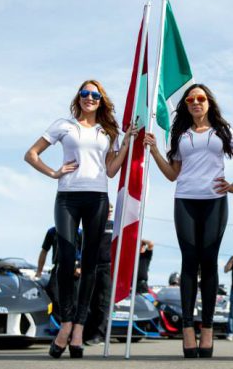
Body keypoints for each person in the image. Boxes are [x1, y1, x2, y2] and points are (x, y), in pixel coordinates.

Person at [25, 79, 136, 359]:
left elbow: (111, 170)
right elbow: (31, 154)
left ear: (101, 100)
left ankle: (78, 330)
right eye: (85, 93)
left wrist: (125, 144)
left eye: (95, 95)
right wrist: (53, 172)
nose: (89, 98)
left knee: (90, 266)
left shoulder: (107, 131)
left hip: (97, 198)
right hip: (67, 198)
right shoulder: (64, 125)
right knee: (64, 259)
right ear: (79, 97)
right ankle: (65, 324)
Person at [144, 83, 233, 358]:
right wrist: (155, 150)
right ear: (187, 106)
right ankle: (188, 329)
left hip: (215, 201)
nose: (196, 103)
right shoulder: (180, 135)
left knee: (209, 261)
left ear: (209, 103)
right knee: (189, 262)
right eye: (191, 99)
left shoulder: (223, 130)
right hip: (185, 201)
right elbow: (172, 174)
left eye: (201, 98)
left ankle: (207, 329)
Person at [84, 203, 114, 346]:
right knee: (90, 302)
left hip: (107, 268)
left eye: (111, 210)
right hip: (91, 267)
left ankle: (99, 335)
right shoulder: (92, 224)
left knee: (103, 303)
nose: (109, 212)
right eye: (107, 209)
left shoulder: (115, 226)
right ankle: (86, 334)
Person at [36, 226, 83, 312]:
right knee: (53, 295)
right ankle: (58, 322)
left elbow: (87, 252)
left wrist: (80, 267)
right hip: (58, 266)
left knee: (75, 301)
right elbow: (44, 251)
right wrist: (39, 271)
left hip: (75, 269)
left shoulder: (80, 232)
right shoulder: (52, 231)